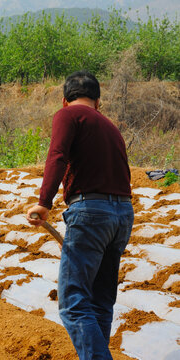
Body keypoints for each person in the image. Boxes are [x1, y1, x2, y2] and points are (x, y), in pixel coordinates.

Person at [26, 71, 133, 360]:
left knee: (73, 302)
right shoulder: (111, 128)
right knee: (100, 302)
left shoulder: (68, 115)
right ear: (98, 102)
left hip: (91, 213)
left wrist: (43, 202)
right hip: (122, 214)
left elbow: (57, 155)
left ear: (65, 100)